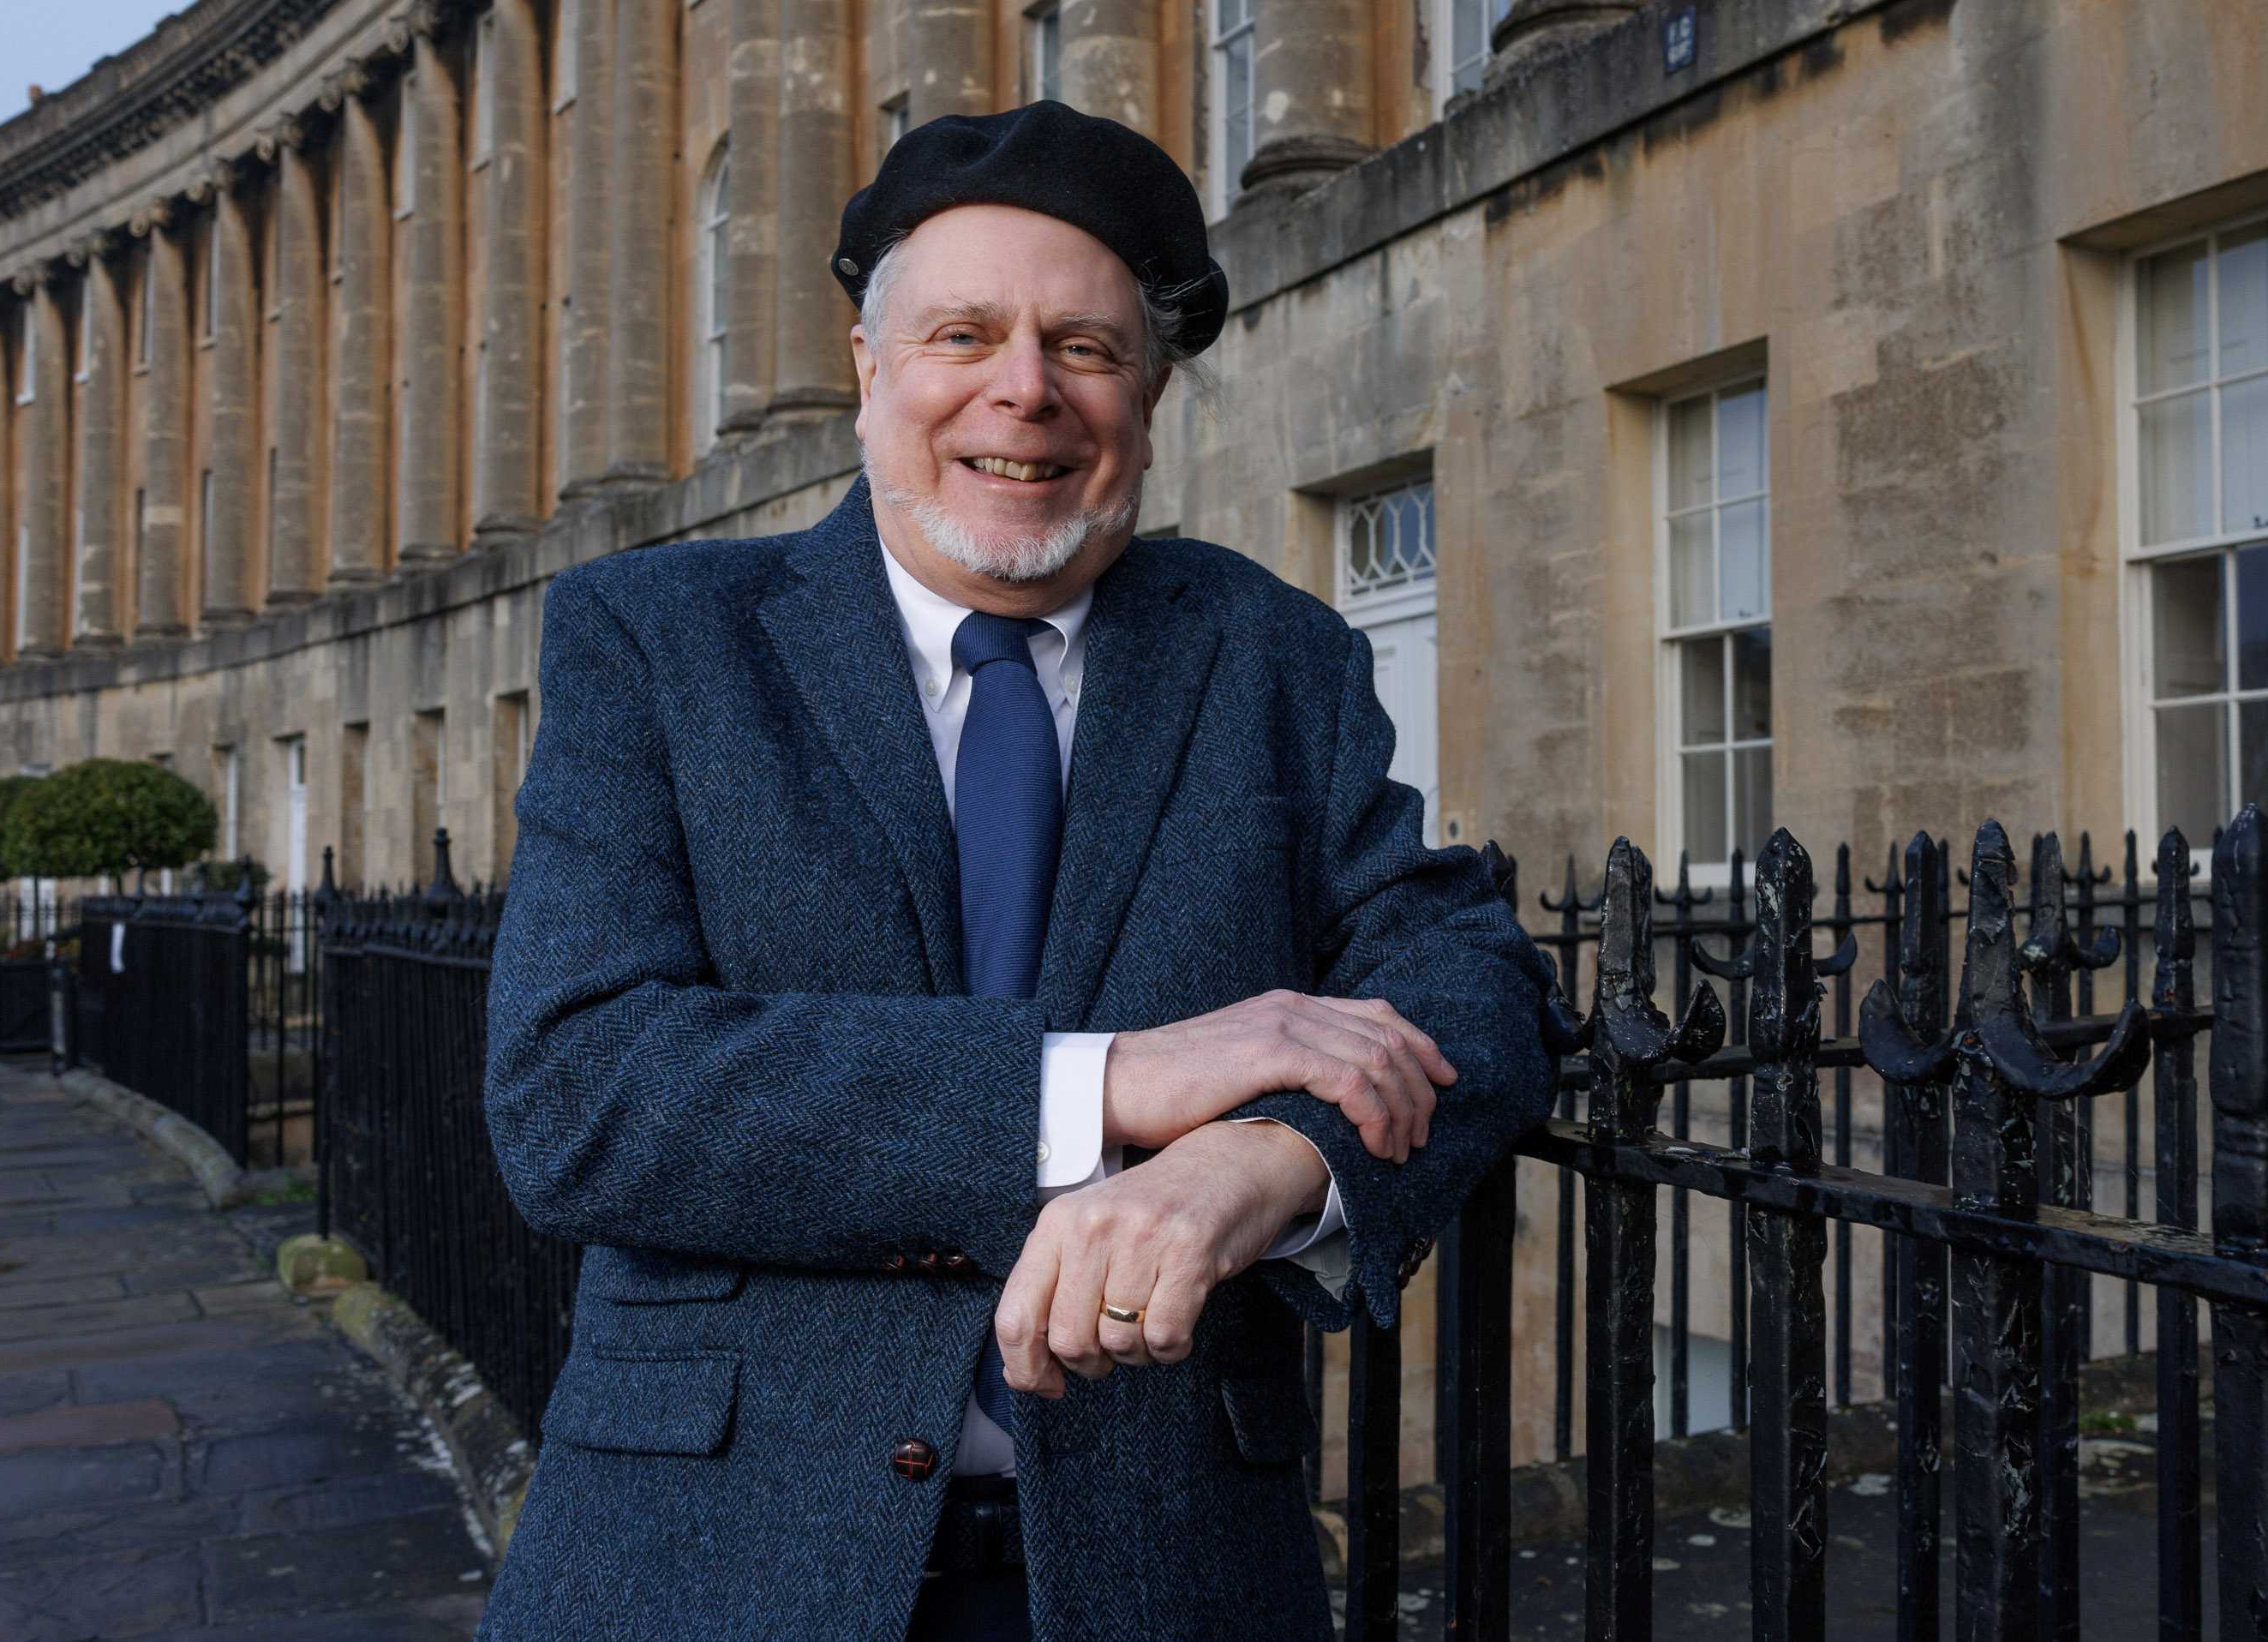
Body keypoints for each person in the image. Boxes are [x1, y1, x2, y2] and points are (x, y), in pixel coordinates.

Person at [475, 101, 1558, 1642]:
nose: (1026, 391)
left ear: (1149, 397)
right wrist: (1107, 1083)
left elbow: (1474, 982)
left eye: (1087, 348)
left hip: (1166, 1571)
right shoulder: (656, 638)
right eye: (964, 335)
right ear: (869, 370)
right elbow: (575, 1089)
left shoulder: (1272, 654)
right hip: (712, 1561)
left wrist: (1265, 1163)